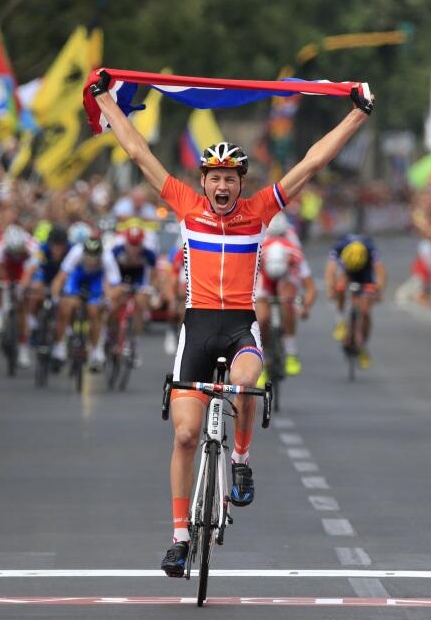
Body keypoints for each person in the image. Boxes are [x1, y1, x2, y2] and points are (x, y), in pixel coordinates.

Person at [90, 69, 373, 577]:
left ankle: (240, 461)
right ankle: (179, 540)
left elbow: (313, 160)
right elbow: (138, 154)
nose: (221, 185)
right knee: (184, 436)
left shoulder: (259, 211)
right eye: (214, 178)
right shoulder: (187, 207)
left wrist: (356, 112)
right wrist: (106, 104)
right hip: (197, 329)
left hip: (241, 326)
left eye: (230, 179)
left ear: (241, 184)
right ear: (203, 182)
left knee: (245, 386)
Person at [255, 214, 315, 380]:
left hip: (286, 278)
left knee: (287, 302)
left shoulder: (294, 255)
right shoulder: (259, 254)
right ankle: (263, 360)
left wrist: (304, 307)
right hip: (264, 279)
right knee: (263, 318)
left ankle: (291, 352)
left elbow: (310, 288)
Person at [50, 234, 122, 371]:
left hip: (96, 280)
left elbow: (116, 286)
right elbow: (61, 278)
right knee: (66, 306)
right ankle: (59, 347)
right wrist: (55, 298)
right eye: (88, 257)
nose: (91, 261)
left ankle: (96, 351)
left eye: (94, 258)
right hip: (77, 277)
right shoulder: (76, 252)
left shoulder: (107, 257)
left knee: (94, 311)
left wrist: (108, 299)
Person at [326, 234, 386, 369]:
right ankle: (341, 320)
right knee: (340, 287)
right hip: (346, 270)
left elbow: (380, 272)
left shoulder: (370, 249)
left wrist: (379, 290)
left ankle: (363, 345)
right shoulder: (340, 246)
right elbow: (330, 270)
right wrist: (331, 289)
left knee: (365, 311)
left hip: (365, 274)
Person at [0, 224, 38, 367]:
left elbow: (31, 270)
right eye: (13, 251)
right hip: (8, 269)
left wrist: (23, 287)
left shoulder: (32, 245)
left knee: (22, 311)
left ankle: (23, 350)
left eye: (18, 251)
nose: (16, 254)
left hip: (24, 269)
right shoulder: (1, 246)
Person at [112, 226, 158, 338]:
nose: (134, 249)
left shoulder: (149, 254)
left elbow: (154, 274)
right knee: (114, 303)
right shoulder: (116, 251)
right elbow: (109, 272)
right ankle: (111, 331)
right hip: (120, 278)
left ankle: (136, 338)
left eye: (137, 245)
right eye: (131, 245)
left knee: (140, 303)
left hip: (139, 280)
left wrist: (153, 290)